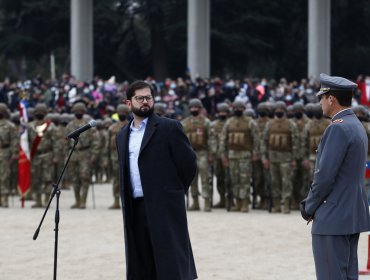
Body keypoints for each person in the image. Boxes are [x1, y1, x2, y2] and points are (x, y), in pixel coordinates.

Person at [116, 80, 197, 280]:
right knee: (142, 263)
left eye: (148, 98)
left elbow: (189, 164)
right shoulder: (122, 135)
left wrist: (173, 192)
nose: (145, 102)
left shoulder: (169, 128)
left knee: (170, 263)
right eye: (140, 98)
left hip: (164, 206)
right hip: (135, 207)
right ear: (129, 103)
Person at [300, 73, 370, 280]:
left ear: (331, 99)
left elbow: (324, 177)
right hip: (351, 213)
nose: (320, 102)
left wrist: (309, 207)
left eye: (322, 97)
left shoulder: (337, 129)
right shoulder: (356, 125)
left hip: (333, 216)